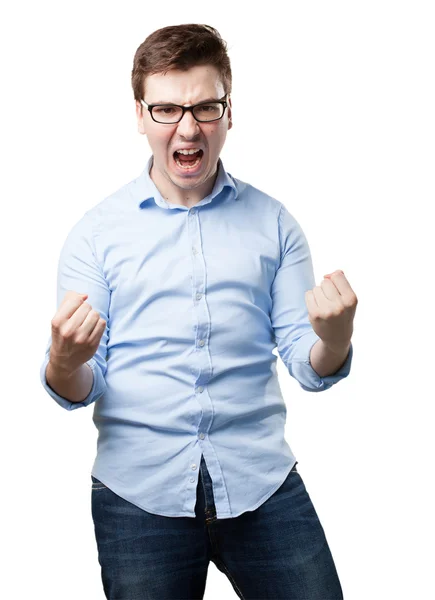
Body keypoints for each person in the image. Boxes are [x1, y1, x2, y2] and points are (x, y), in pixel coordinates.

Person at [40, 23, 357, 600]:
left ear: (228, 111)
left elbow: (308, 364)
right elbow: (78, 385)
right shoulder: (96, 235)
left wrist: (334, 339)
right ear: (140, 115)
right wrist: (65, 359)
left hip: (262, 486)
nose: (187, 128)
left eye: (205, 106)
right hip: (139, 498)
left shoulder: (276, 225)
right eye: (166, 109)